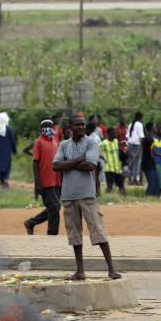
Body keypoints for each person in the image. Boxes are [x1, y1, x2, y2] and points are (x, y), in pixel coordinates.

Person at [52, 115, 121, 281]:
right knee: (74, 234)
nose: (81, 127)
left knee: (98, 230)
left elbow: (90, 165)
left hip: (87, 195)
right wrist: (78, 160)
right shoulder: (64, 144)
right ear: (71, 128)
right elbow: (55, 165)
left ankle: (111, 269)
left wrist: (67, 163)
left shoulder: (92, 142)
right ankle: (80, 271)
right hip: (68, 196)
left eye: (82, 125)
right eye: (77, 125)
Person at [23, 120, 62, 236]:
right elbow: (35, 163)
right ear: (40, 129)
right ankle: (52, 234)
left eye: (49, 126)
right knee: (55, 206)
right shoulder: (38, 142)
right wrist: (37, 183)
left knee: (54, 207)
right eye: (44, 126)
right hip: (44, 180)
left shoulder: (55, 141)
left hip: (55, 180)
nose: (47, 128)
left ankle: (31, 223)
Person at [133, 122, 159, 197]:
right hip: (147, 164)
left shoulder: (154, 138)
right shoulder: (147, 139)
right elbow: (139, 151)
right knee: (152, 184)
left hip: (152, 164)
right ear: (152, 128)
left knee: (157, 184)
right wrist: (132, 163)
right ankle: (146, 198)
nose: (156, 128)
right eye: (154, 126)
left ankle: (154, 200)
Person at [0, 112, 17, 187]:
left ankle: (1, 180)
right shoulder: (9, 129)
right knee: (7, 164)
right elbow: (12, 140)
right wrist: (14, 150)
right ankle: (6, 178)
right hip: (7, 151)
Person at [100, 127, 126, 196]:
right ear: (109, 134)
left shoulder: (116, 141)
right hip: (109, 168)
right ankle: (108, 198)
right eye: (114, 133)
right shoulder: (104, 144)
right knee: (110, 185)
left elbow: (122, 150)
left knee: (121, 185)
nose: (116, 134)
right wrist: (102, 157)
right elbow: (95, 150)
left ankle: (124, 199)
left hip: (118, 168)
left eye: (116, 133)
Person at [126, 112, 144, 185]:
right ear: (141, 117)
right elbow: (141, 136)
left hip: (130, 144)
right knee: (136, 162)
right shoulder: (139, 124)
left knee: (131, 162)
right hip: (136, 145)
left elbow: (128, 136)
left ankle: (130, 179)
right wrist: (143, 145)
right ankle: (134, 179)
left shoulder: (131, 124)